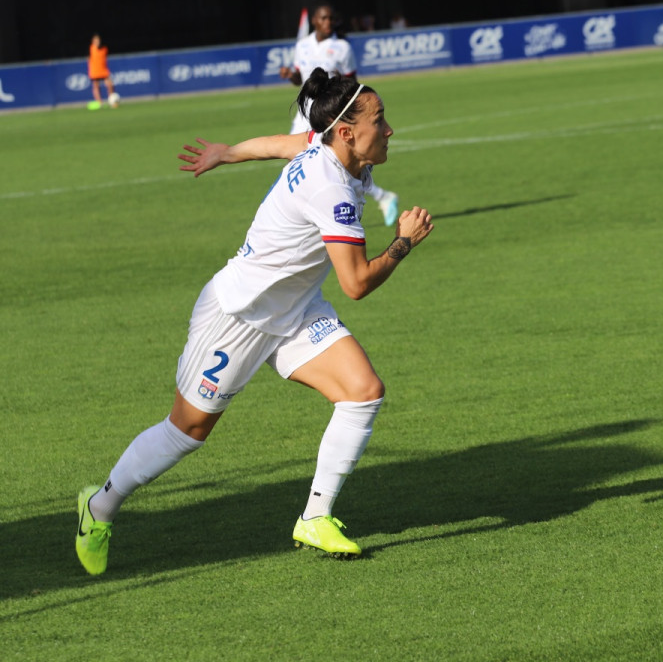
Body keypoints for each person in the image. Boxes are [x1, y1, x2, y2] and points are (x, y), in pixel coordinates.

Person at [75, 68, 434, 575]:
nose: (390, 129)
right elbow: (355, 284)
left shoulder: (329, 145)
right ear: (347, 132)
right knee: (188, 431)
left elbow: (278, 145)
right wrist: (403, 242)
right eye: (381, 120)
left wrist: (227, 152)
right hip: (238, 315)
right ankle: (99, 507)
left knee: (363, 391)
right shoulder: (331, 189)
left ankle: (315, 517)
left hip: (294, 309)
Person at [279, 2, 400, 227]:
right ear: (315, 21)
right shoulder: (302, 45)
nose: (328, 23)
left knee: (335, 164)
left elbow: (352, 84)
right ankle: (379, 197)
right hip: (304, 114)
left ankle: (350, 205)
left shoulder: (342, 47)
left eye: (331, 19)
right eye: (324, 19)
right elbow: (300, 78)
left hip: (331, 116)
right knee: (297, 160)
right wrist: (289, 75)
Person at [88, 34, 118, 110]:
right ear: (92, 42)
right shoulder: (91, 48)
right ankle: (99, 103)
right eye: (95, 41)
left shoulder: (104, 48)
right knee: (96, 86)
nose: (97, 42)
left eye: (98, 40)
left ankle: (112, 101)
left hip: (103, 70)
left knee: (110, 85)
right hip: (95, 70)